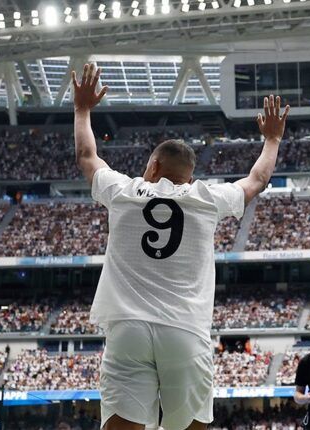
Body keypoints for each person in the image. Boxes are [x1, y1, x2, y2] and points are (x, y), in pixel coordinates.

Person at [72, 63, 290, 430]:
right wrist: (272, 139)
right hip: (184, 330)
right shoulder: (206, 197)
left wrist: (82, 109)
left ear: (154, 166)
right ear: (189, 175)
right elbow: (258, 179)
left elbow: (86, 156)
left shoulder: (123, 190)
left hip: (128, 328)